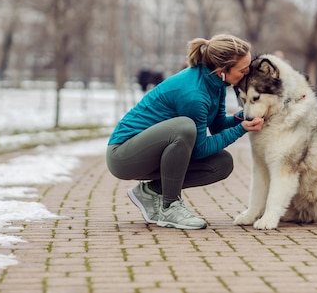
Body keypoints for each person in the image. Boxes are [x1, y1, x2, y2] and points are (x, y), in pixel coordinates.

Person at [106, 34, 264, 230]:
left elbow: (218, 126)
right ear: (222, 70)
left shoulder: (216, 84)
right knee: (184, 128)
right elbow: (199, 149)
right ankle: (170, 206)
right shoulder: (194, 94)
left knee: (222, 163)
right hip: (124, 155)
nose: (247, 73)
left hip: (150, 152)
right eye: (243, 70)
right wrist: (241, 130)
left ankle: (151, 191)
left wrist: (244, 116)